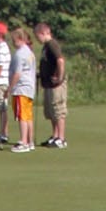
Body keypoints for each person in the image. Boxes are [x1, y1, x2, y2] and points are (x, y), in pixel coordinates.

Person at [36, 20, 67, 148]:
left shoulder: (52, 44)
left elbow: (60, 60)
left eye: (37, 35)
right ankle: (54, 135)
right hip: (47, 83)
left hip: (56, 84)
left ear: (43, 33)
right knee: (50, 111)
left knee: (58, 109)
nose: (37, 39)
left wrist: (59, 76)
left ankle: (61, 138)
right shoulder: (46, 46)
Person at [9, 27, 36, 151]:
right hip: (29, 88)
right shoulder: (29, 52)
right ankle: (30, 141)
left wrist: (10, 88)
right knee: (28, 115)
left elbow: (17, 74)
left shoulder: (20, 54)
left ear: (20, 39)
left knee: (22, 116)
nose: (13, 43)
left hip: (21, 88)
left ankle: (23, 142)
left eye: (14, 40)